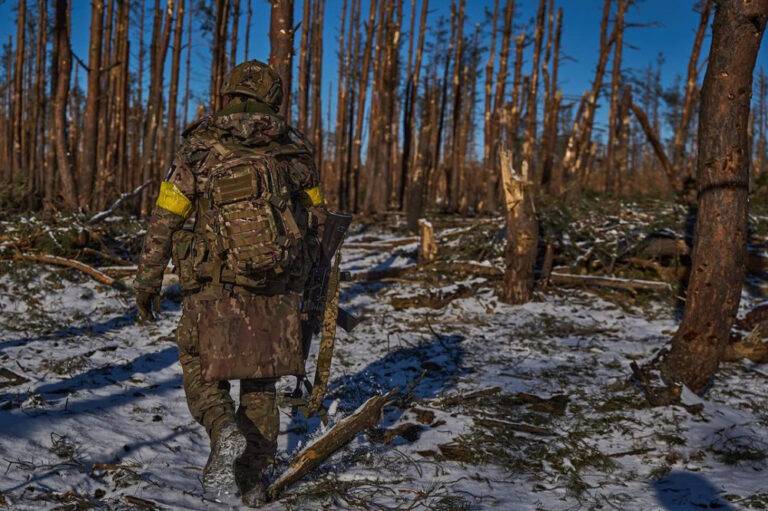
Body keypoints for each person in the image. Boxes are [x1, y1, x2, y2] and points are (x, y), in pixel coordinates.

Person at [134, 60, 326, 507]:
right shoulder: (293, 156)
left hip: (211, 284)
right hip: (276, 287)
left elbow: (165, 220)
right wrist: (310, 289)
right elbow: (319, 221)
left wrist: (147, 281)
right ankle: (252, 482)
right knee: (260, 383)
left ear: (227, 93)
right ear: (273, 100)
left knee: (201, 365)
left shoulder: (199, 152)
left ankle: (222, 429)